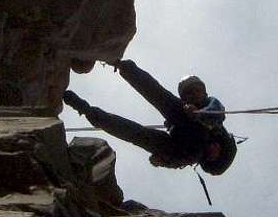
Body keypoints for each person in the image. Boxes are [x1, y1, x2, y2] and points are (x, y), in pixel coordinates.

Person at [63, 59, 236, 175]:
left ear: (204, 92)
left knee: (137, 133)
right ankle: (120, 64)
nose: (192, 96)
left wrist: (163, 161)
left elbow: (217, 113)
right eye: (188, 94)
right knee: (156, 94)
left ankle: (86, 110)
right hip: (186, 134)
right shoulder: (186, 109)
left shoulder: (212, 106)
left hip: (192, 143)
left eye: (195, 91)